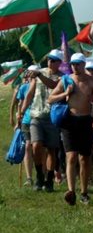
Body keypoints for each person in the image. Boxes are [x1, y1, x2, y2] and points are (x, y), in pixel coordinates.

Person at [48, 53, 93, 205]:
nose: (75, 66)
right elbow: (50, 98)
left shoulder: (91, 82)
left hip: (86, 121)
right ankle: (71, 191)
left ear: (84, 64)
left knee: (85, 158)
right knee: (71, 156)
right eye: (73, 64)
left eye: (78, 63)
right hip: (69, 121)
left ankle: (84, 192)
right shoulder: (66, 80)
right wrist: (65, 93)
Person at [20, 49, 63, 192]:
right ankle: (39, 175)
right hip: (36, 115)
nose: (50, 61)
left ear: (59, 63)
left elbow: (53, 85)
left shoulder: (63, 77)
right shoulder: (38, 73)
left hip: (52, 117)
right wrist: (21, 111)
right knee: (36, 145)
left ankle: (49, 179)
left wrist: (39, 75)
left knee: (52, 150)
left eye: (54, 59)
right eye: (49, 59)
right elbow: (30, 93)